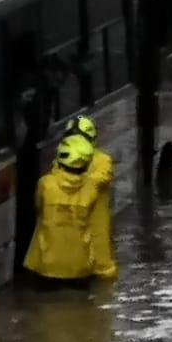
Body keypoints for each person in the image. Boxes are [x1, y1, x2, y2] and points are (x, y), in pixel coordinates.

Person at [23, 135, 102, 290]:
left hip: (46, 265)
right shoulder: (92, 189)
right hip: (80, 267)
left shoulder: (45, 184)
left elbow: (38, 209)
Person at [60, 116, 117, 280]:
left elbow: (102, 178)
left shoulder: (102, 160)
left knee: (102, 275)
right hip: (74, 237)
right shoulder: (61, 161)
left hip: (96, 242)